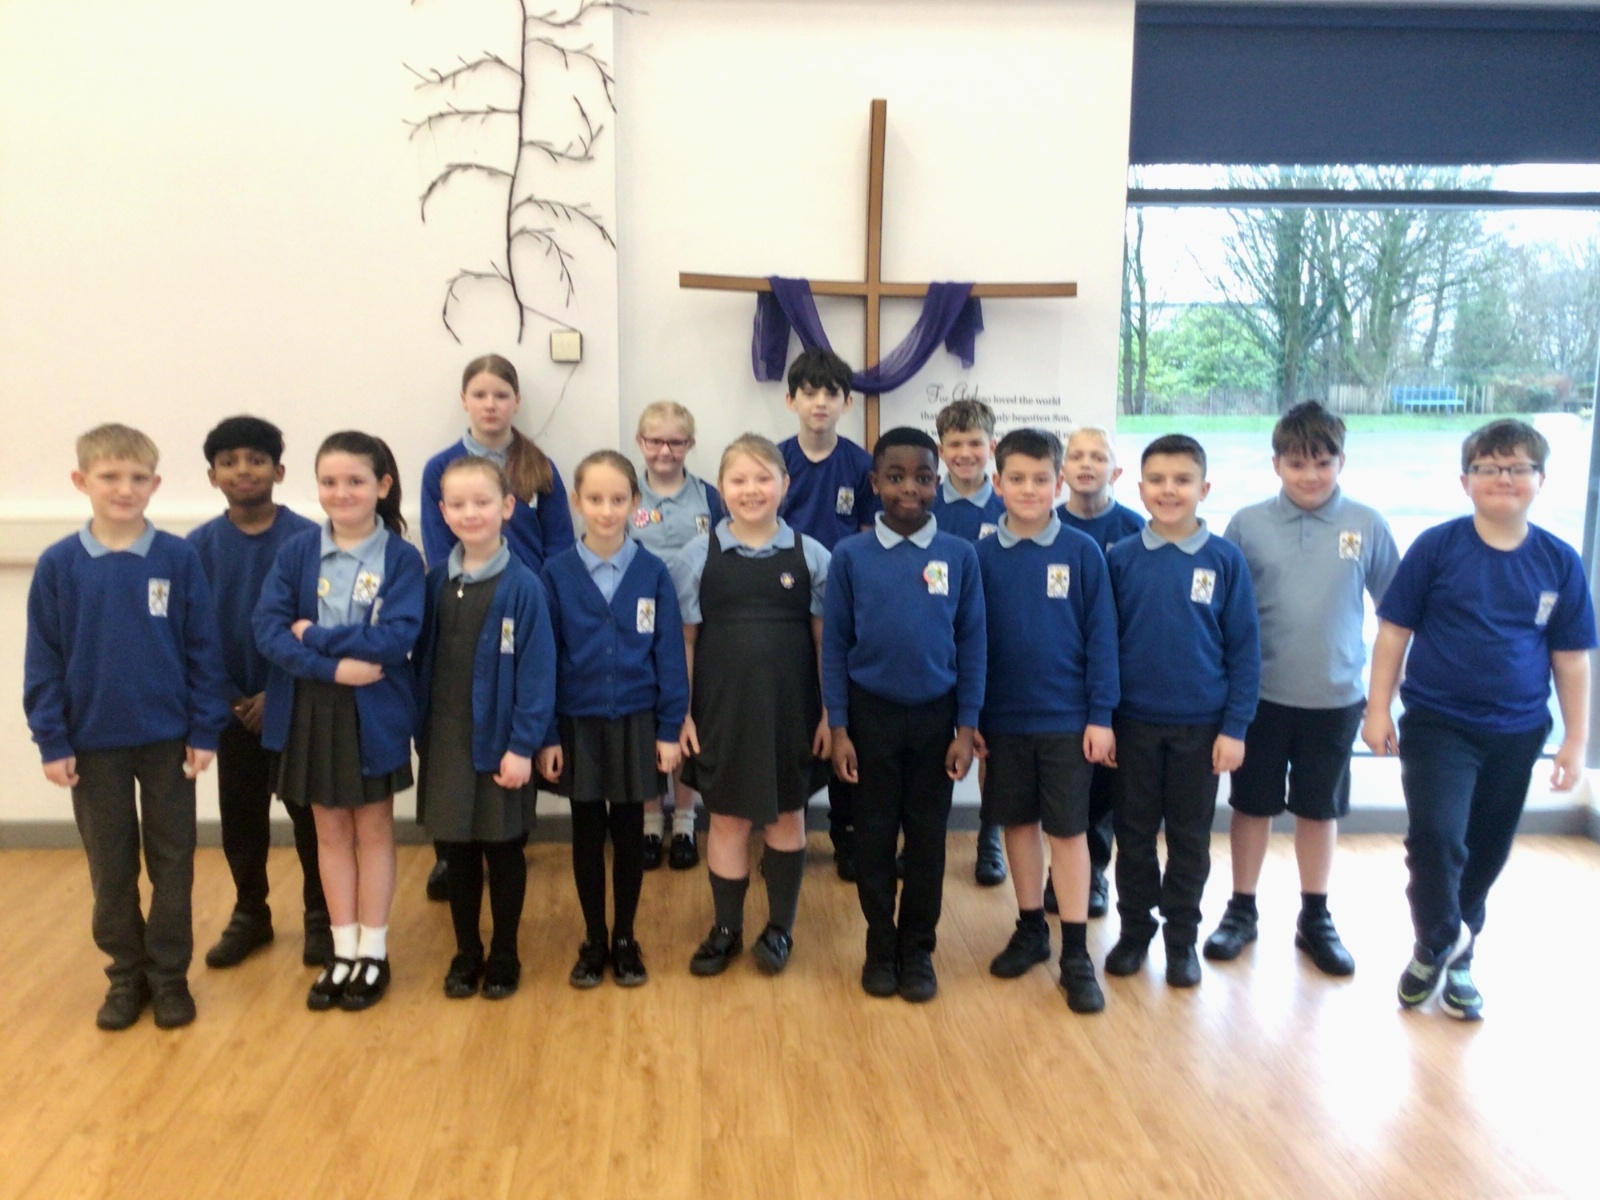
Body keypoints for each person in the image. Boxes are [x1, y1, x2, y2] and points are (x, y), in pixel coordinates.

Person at [1363, 419, 1594, 1021]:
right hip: (1438, 723)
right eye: (1488, 468)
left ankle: (1453, 958)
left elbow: (1571, 659)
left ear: (1541, 480)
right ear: (1465, 481)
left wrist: (1575, 739)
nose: (1503, 479)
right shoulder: (1437, 548)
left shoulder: (1559, 562)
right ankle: (1443, 939)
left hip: (1518, 731)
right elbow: (1394, 632)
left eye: (1517, 468)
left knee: (1486, 849)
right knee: (1437, 837)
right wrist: (1378, 707)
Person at [25, 424, 232, 1030]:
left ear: (156, 484)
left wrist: (205, 729)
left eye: (138, 477)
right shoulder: (59, 565)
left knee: (173, 863)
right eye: (110, 476)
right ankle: (126, 976)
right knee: (110, 868)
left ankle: (169, 978)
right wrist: (52, 739)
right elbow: (44, 660)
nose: (125, 488)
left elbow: (203, 650)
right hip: (92, 746)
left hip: (169, 742)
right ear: (81, 481)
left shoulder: (178, 558)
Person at [1203, 403, 1398, 976]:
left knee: (1319, 809)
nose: (1310, 475)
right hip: (1259, 697)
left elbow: (1396, 616)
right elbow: (1224, 615)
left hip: (1335, 699)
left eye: (1322, 463)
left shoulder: (1367, 525)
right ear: (1276, 465)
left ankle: (1315, 916)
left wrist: (1383, 704)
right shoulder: (1247, 525)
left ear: (1341, 461)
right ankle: (1241, 909)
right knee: (1251, 804)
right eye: (1296, 463)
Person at [254, 431, 424, 1013]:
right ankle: (343, 948)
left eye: (355, 481)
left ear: (383, 485)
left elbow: (395, 637)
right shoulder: (296, 552)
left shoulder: (402, 558)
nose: (341, 492)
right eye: (329, 481)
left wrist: (317, 637)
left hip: (374, 711)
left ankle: (374, 951)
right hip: (310, 708)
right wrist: (333, 668)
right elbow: (269, 629)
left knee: (373, 831)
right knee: (329, 833)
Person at [824, 427, 986, 1003]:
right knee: (872, 836)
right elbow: (835, 645)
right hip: (869, 719)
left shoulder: (960, 556)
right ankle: (880, 942)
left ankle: (918, 948)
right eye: (895, 477)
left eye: (921, 477)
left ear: (937, 482)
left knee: (926, 839)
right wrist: (838, 727)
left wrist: (966, 726)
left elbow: (972, 643)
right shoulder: (850, 556)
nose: (909, 488)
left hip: (935, 719)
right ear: (874, 483)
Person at [1103, 433, 1259, 989]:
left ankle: (1181, 938)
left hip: (1202, 728)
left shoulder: (1225, 560)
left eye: (1182, 480)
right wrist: (1104, 717)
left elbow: (1244, 649)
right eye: (1157, 480)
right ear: (1139, 487)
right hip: (1133, 725)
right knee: (1134, 834)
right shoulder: (1120, 558)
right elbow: (1102, 645)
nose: (1169, 490)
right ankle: (1134, 931)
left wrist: (1235, 728)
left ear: (1204, 488)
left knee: (1190, 839)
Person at [672, 434, 831, 978]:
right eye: (738, 479)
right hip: (721, 712)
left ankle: (780, 928)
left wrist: (829, 713)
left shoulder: (811, 555)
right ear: (721, 488)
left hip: (792, 713)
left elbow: (824, 641)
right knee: (727, 820)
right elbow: (685, 642)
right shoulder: (697, 557)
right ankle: (727, 928)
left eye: (764, 478)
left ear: (785, 484)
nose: (752, 489)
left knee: (788, 818)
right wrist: (683, 714)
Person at [418, 354, 575, 901]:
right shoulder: (440, 468)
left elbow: (559, 544)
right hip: (465, 602)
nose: (490, 404)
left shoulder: (538, 466)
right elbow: (438, 546)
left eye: (501, 395)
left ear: (516, 401)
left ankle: (508, 836)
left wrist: (538, 599)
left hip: (524, 605)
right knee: (457, 729)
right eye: (480, 394)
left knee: (517, 714)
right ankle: (452, 852)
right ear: (464, 401)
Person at [976, 429, 1118, 1014]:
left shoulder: (1082, 552)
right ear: (997, 483)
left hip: (1068, 721)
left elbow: (1102, 638)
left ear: (1058, 484)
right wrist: (971, 717)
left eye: (1041, 479)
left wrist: (1101, 716)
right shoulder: (981, 556)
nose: (1029, 489)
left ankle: (1076, 952)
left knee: (1068, 832)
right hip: (1003, 721)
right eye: (1017, 478)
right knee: (1018, 824)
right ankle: (1031, 927)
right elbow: (970, 643)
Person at [540, 451, 688, 989]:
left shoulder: (652, 573)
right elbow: (543, 661)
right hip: (577, 724)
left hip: (636, 722)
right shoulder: (555, 573)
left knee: (629, 834)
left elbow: (669, 656)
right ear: (576, 502)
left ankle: (625, 936)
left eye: (618, 499)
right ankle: (593, 937)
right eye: (595, 499)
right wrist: (547, 735)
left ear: (635, 502)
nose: (606, 510)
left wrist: (669, 730)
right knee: (586, 835)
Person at [188, 416, 328, 971]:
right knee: (240, 818)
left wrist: (278, 691)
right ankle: (251, 913)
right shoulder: (197, 548)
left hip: (296, 705)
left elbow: (317, 626)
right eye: (228, 462)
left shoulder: (309, 541)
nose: (242, 470)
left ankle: (321, 916)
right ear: (212, 476)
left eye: (256, 460)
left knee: (310, 817)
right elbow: (192, 634)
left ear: (279, 470)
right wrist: (229, 696)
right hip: (231, 709)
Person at [415, 456, 555, 1001]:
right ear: (443, 511)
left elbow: (537, 675)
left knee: (502, 850)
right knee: (458, 854)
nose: (470, 513)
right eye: (458, 504)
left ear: (507, 507)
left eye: (482, 502)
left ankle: (504, 952)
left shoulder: (524, 586)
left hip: (501, 746)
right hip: (447, 743)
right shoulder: (433, 583)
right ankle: (466, 950)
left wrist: (522, 745)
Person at [778, 347, 876, 881]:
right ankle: (779, 830)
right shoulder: (775, 463)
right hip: (784, 609)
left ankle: (847, 834)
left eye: (830, 393)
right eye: (809, 392)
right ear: (790, 400)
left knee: (842, 718)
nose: (820, 402)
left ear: (846, 403)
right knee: (791, 717)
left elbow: (866, 542)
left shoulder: (861, 466)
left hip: (842, 612)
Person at [1053, 426, 1144, 919]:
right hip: (1061, 678)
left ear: (1117, 471)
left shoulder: (1135, 529)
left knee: (1105, 782)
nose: (1086, 464)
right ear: (1062, 470)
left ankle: (1095, 873)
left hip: (1117, 677)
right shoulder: (1045, 525)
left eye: (1098, 456)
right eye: (1076, 456)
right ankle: (1062, 872)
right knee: (1066, 783)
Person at [630, 401, 723, 871]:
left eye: (676, 441)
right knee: (649, 719)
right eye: (655, 440)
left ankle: (685, 821)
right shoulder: (627, 494)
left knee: (688, 717)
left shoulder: (709, 496)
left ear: (690, 444)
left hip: (696, 625)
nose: (665, 450)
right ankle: (651, 822)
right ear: (640, 442)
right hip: (639, 626)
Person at [931, 397, 1008, 888]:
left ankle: (990, 836)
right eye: (955, 443)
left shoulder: (1007, 502)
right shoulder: (925, 502)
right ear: (940, 449)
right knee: (931, 743)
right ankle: (924, 838)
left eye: (975, 443)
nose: (965, 453)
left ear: (992, 446)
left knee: (988, 745)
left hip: (992, 640)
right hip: (935, 641)